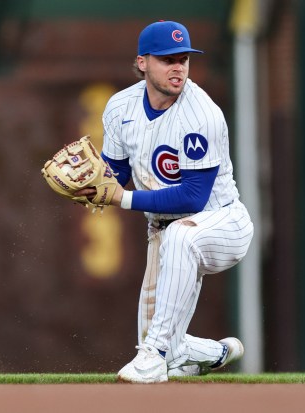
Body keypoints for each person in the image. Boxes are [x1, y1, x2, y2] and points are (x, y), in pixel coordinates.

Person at [78, 20, 254, 383]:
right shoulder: (120, 106)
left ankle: (153, 356)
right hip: (164, 229)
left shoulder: (200, 114)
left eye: (183, 59)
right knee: (164, 344)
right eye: (167, 59)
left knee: (180, 239)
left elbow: (194, 195)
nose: (178, 68)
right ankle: (213, 353)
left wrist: (121, 198)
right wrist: (93, 184)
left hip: (220, 223)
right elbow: (116, 172)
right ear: (143, 62)